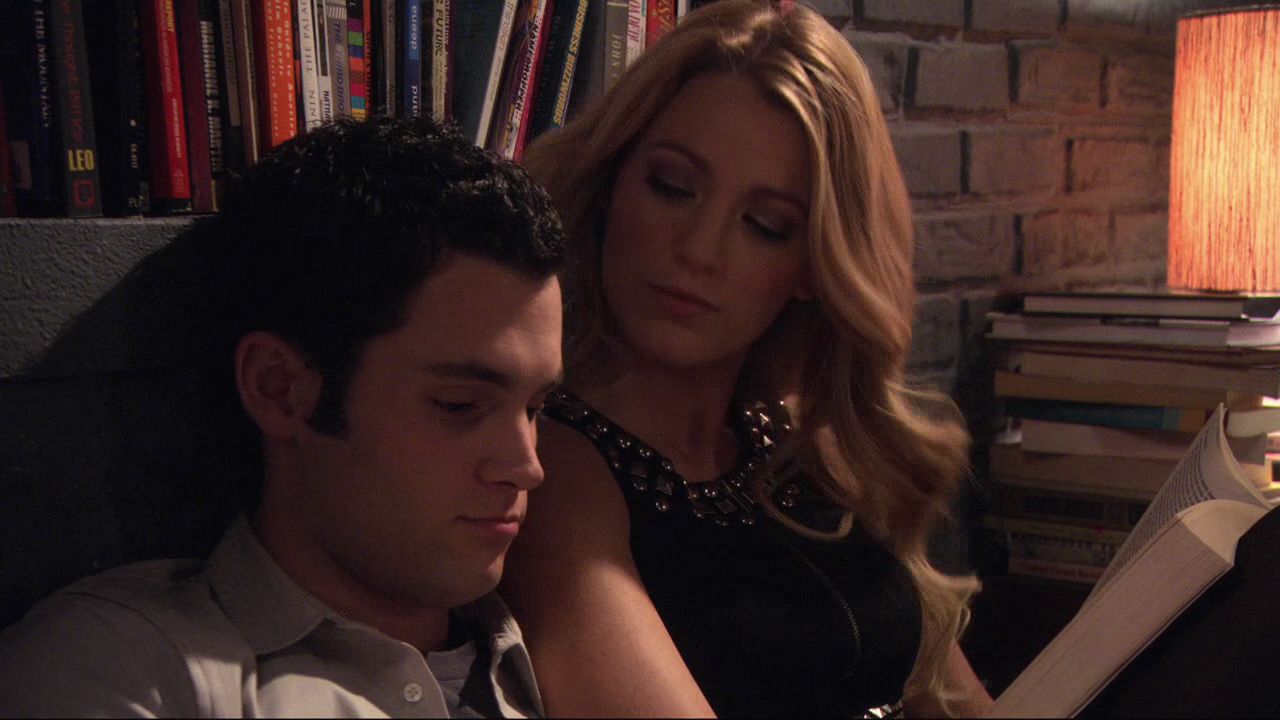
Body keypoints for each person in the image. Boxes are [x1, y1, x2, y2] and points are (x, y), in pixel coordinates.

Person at [500, 1, 994, 716]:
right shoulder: (548, 468)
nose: (699, 250)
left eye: (765, 224)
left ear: (812, 267)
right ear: (612, 184)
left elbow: (960, 701)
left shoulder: (799, 443)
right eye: (672, 187)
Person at [0, 116, 566, 718]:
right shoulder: (127, 666)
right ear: (279, 390)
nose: (527, 467)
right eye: (459, 405)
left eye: (535, 408)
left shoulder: (560, 638)